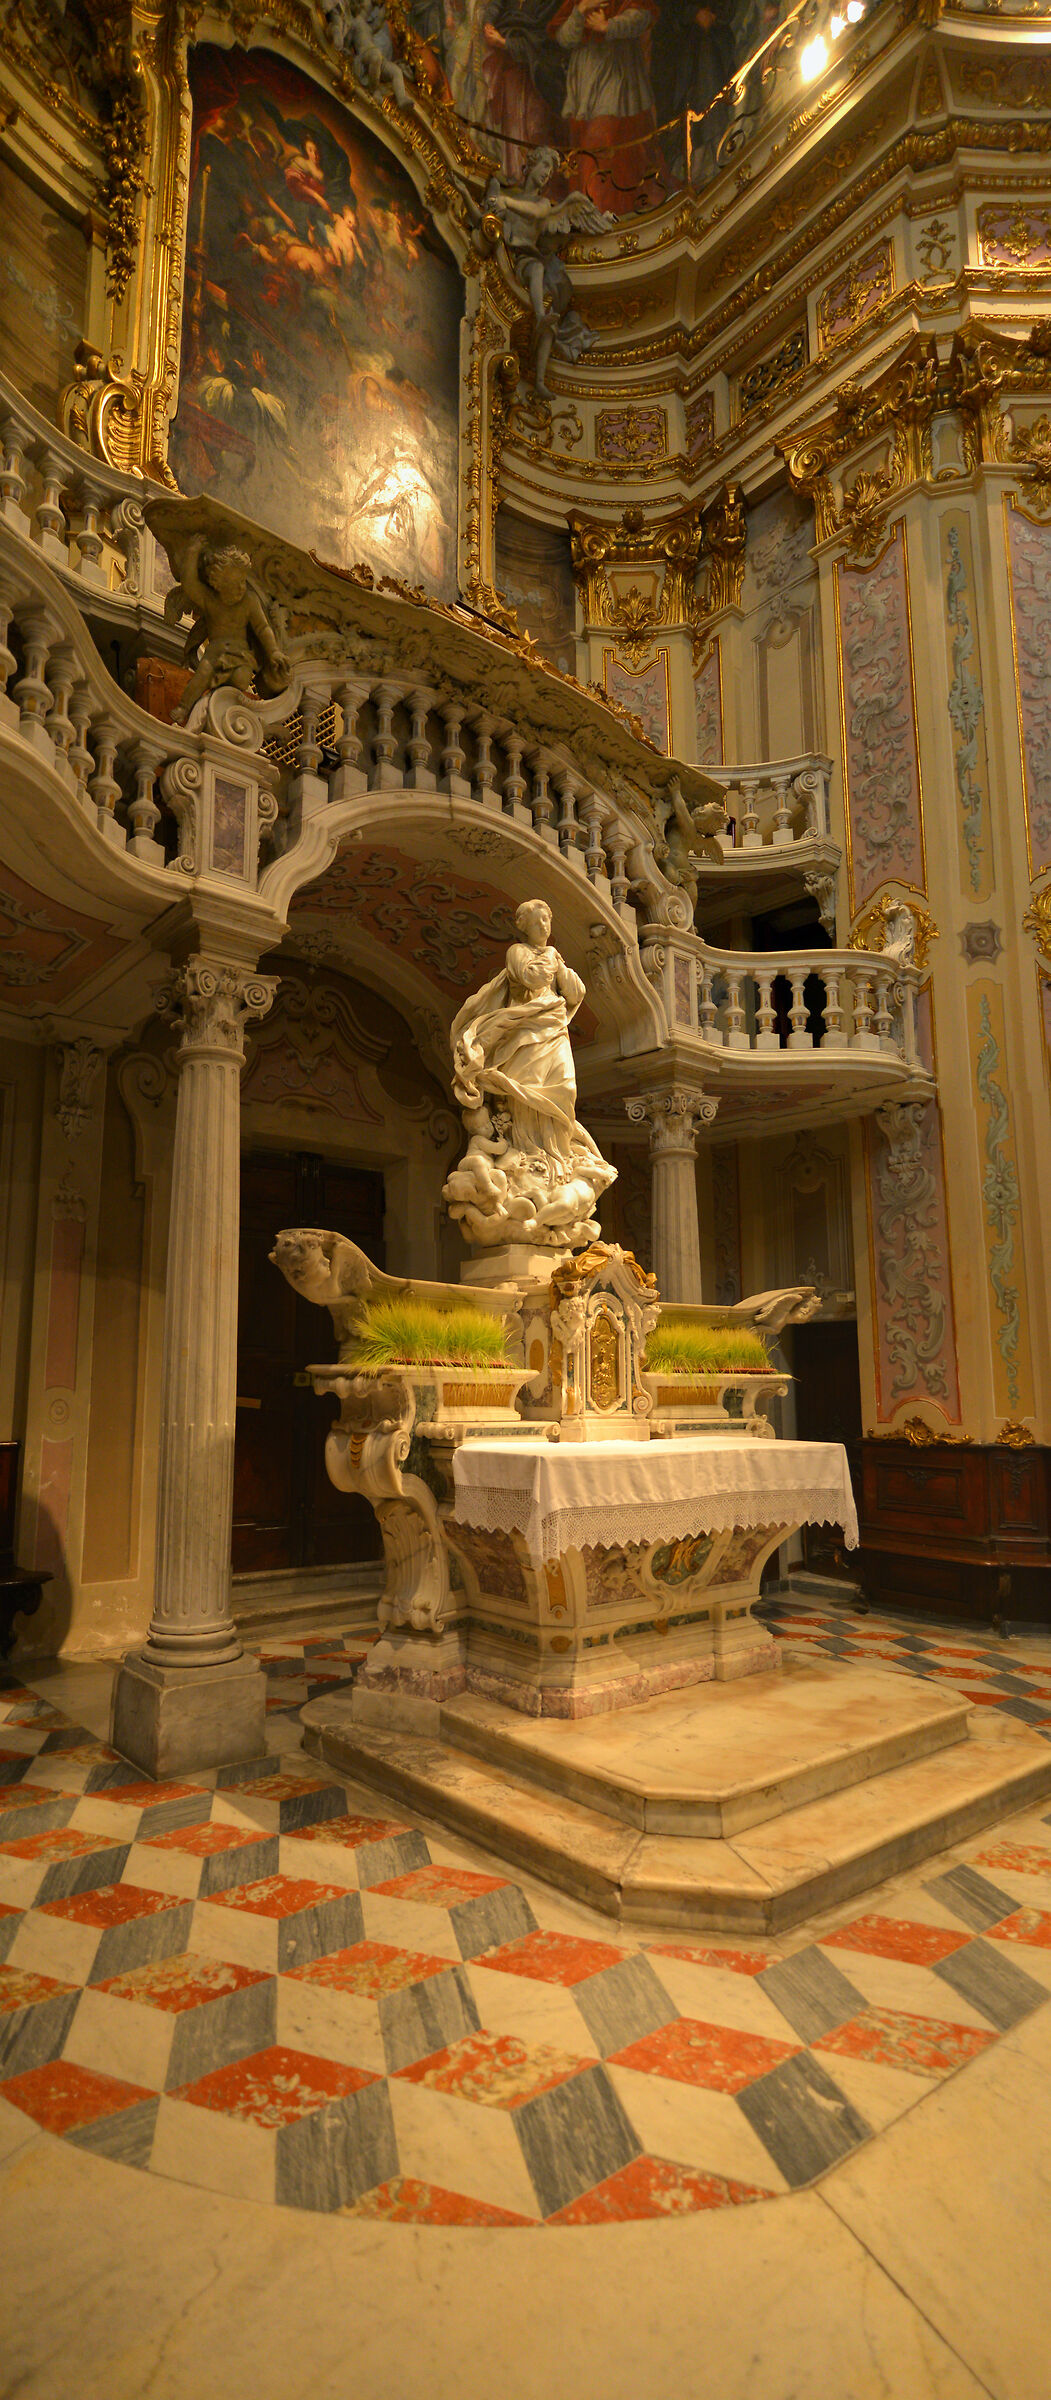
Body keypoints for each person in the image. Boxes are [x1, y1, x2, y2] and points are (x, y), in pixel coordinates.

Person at [443, 898, 616, 1247]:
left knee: (564, 1090)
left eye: (548, 921)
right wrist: (550, 962)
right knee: (524, 1091)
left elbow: (574, 993)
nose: (545, 927)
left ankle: (556, 1155)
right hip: (525, 1034)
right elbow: (528, 976)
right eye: (539, 922)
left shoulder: (554, 956)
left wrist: (564, 971)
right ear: (527, 927)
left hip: (554, 1031)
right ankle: (527, 1150)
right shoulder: (518, 952)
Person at [546, 0, 663, 213]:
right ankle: (586, 205)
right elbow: (564, 38)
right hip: (585, 79)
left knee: (606, 140)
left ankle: (605, 207)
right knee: (583, 144)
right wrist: (580, 11)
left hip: (618, 72)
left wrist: (609, 26)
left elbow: (643, 16)